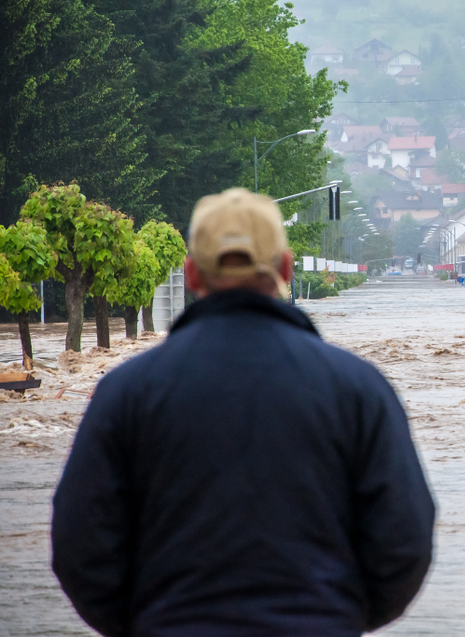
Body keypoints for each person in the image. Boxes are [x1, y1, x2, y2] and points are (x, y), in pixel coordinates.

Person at [51, 188, 435, 637]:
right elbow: (404, 540)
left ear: (191, 274)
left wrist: (147, 620)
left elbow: (80, 543)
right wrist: (338, 615)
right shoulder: (358, 389)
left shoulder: (126, 392)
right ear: (285, 268)